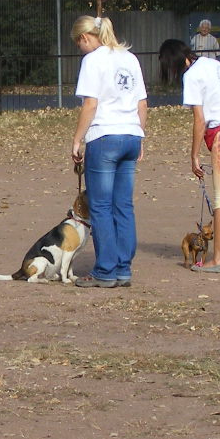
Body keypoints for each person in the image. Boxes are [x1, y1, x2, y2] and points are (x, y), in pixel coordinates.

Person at [70, 15, 147, 288]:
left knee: (100, 206)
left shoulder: (92, 61)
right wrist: (140, 136)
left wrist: (77, 140)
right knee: (123, 205)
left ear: (85, 37)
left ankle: (105, 270)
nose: (80, 48)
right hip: (130, 134)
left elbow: (90, 104)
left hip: (104, 136)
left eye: (79, 42)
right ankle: (124, 267)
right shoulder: (130, 58)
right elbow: (142, 102)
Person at [167, 38, 220, 272]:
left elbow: (199, 119)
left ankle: (216, 259)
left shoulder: (191, 75)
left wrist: (194, 155)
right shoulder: (214, 64)